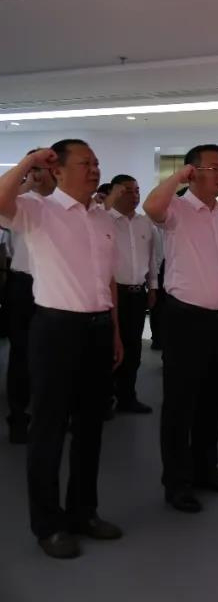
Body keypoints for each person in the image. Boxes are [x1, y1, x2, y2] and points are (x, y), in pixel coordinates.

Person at [0, 141, 124, 559]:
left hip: (97, 329)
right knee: (49, 429)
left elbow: (108, 281)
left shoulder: (103, 217)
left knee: (90, 428)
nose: (95, 169)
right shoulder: (37, 209)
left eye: (97, 162)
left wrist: (115, 331)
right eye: (86, 163)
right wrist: (29, 161)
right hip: (55, 329)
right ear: (58, 170)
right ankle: (48, 524)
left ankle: (83, 512)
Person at [144, 144, 218, 515]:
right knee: (180, 405)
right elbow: (151, 207)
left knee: (213, 401)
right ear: (192, 171)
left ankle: (206, 468)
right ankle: (177, 482)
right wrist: (177, 178)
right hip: (186, 320)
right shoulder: (177, 208)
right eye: (214, 168)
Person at [3, 150, 56, 444]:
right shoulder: (19, 201)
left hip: (56, 284)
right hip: (24, 284)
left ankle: (52, 414)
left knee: (55, 354)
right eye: (36, 168)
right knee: (22, 352)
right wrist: (27, 180)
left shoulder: (63, 205)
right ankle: (19, 417)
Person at [107, 174, 156, 414]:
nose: (134, 195)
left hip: (137, 295)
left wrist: (153, 286)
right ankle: (105, 399)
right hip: (111, 294)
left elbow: (152, 258)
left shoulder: (145, 223)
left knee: (133, 348)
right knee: (109, 347)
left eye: (136, 190)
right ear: (114, 192)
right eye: (127, 190)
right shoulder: (104, 220)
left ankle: (127, 396)